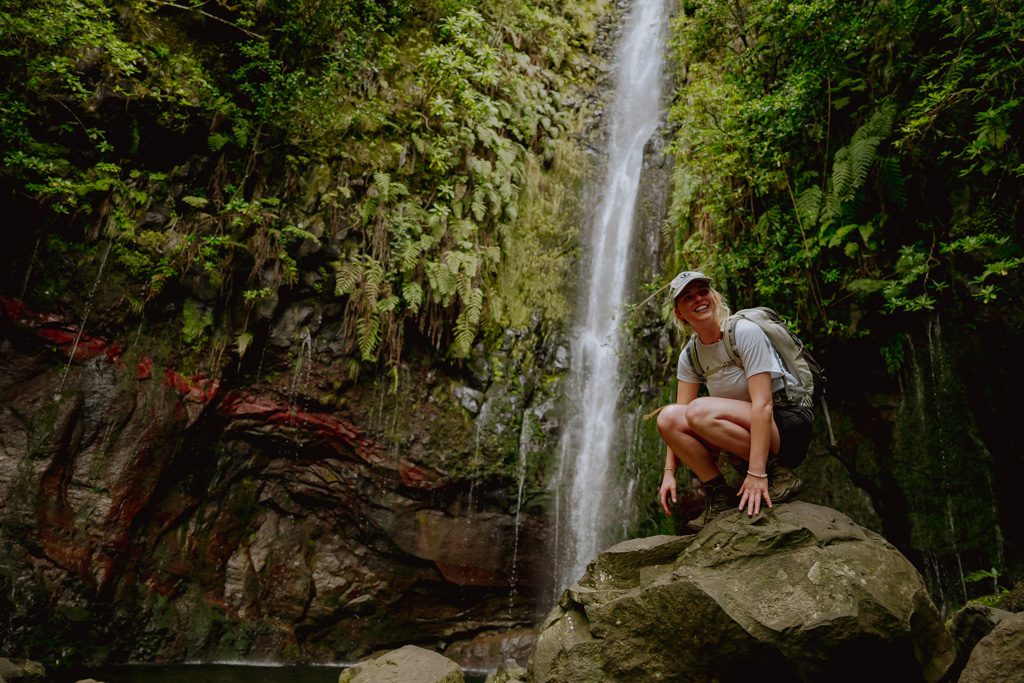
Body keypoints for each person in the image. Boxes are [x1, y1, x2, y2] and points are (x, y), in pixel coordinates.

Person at [656, 270, 813, 531]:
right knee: (667, 418)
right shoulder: (691, 355)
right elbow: (676, 418)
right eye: (688, 297)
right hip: (750, 432)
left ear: (714, 297)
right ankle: (719, 494)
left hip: (785, 424)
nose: (698, 299)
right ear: (679, 313)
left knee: (698, 412)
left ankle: (778, 475)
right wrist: (669, 473)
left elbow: (763, 404)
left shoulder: (744, 333)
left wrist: (757, 473)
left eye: (703, 292)